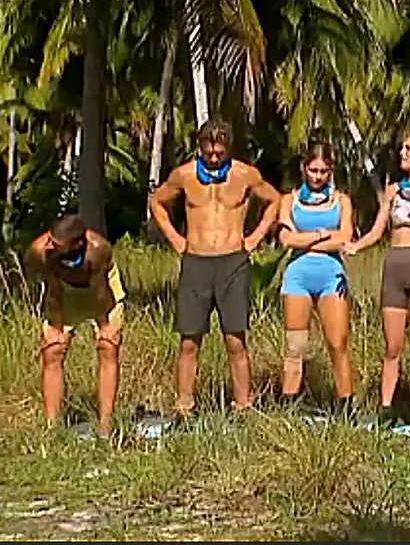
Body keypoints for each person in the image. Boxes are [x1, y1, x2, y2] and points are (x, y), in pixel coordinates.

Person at [149, 118, 282, 417]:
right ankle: (184, 406)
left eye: (219, 153)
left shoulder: (245, 174)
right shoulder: (184, 175)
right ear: (200, 147)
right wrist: (176, 239)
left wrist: (255, 238)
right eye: (208, 152)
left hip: (232, 261)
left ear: (228, 148)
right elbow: (157, 202)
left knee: (235, 339)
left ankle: (243, 406)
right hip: (196, 261)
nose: (213, 158)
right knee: (189, 340)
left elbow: (275, 200)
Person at [344, 131, 410, 433]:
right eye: (402, 148)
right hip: (393, 268)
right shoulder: (392, 190)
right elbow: (377, 230)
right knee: (392, 346)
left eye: (409, 148)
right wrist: (355, 246)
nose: (403, 152)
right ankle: (386, 407)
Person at [25, 215, 127, 437]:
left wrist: (105, 325)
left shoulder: (98, 249)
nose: (49, 245)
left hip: (101, 293)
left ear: (77, 243)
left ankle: (105, 426)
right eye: (49, 239)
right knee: (52, 350)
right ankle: (52, 429)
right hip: (65, 293)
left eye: (56, 244)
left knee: (107, 346)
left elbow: (101, 292)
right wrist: (56, 327)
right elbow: (53, 290)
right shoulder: (41, 251)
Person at [275, 141, 355, 414]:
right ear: (303, 168)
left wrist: (305, 241)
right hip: (297, 278)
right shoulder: (289, 200)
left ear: (331, 171)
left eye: (323, 171)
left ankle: (345, 406)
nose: (318, 176)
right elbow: (286, 239)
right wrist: (322, 235)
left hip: (331, 277)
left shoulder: (341, 201)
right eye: (313, 170)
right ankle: (288, 405)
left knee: (337, 343)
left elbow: (344, 238)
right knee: (295, 346)